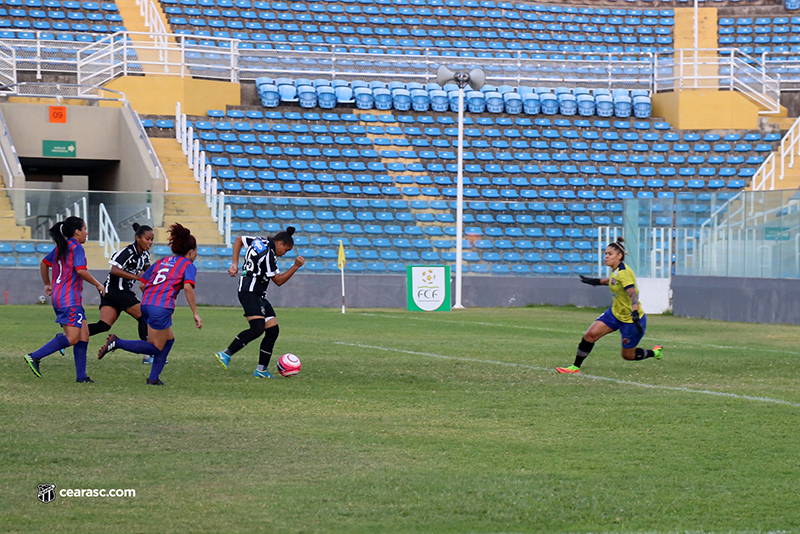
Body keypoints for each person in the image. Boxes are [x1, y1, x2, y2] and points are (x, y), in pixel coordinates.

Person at [96, 223, 202, 385]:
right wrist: (195, 312)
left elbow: (143, 284)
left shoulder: (162, 261)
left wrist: (153, 299)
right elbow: (188, 287)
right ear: (191, 251)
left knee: (169, 340)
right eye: (196, 251)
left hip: (146, 304)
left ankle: (153, 378)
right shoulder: (188, 265)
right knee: (155, 347)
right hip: (160, 307)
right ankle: (117, 342)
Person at [557, 237, 662, 374]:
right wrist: (595, 281)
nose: (606, 256)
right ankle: (575, 367)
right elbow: (612, 281)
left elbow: (632, 295)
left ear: (620, 256)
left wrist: (635, 313)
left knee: (628, 356)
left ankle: (654, 353)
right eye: (605, 253)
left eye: (609, 254)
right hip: (614, 314)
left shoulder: (624, 273)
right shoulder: (616, 270)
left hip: (630, 319)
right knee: (590, 335)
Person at [214, 226, 305, 378]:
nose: (284, 254)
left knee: (273, 330)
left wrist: (234, 263)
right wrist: (295, 266)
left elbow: (238, 240)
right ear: (280, 243)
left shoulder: (259, 241)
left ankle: (261, 370)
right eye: (286, 250)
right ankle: (226, 354)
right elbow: (279, 281)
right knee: (257, 328)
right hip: (250, 292)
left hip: (257, 294)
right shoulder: (268, 255)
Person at [24, 216, 106, 382]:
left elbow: (44, 263)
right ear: (77, 232)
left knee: (84, 335)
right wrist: (98, 284)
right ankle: (35, 356)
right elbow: (81, 271)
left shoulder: (62, 246)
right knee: (73, 338)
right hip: (68, 299)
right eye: (84, 229)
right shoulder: (76, 248)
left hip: (62, 296)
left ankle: (81, 377)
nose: (86, 233)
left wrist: (48, 284)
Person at [87, 223, 154, 364]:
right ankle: (148, 355)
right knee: (143, 316)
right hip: (117, 290)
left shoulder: (145, 255)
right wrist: (137, 277)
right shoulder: (128, 252)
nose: (150, 242)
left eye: (151, 239)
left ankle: (67, 336)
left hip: (115, 291)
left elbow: (148, 273)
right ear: (138, 238)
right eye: (147, 239)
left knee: (104, 325)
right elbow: (115, 270)